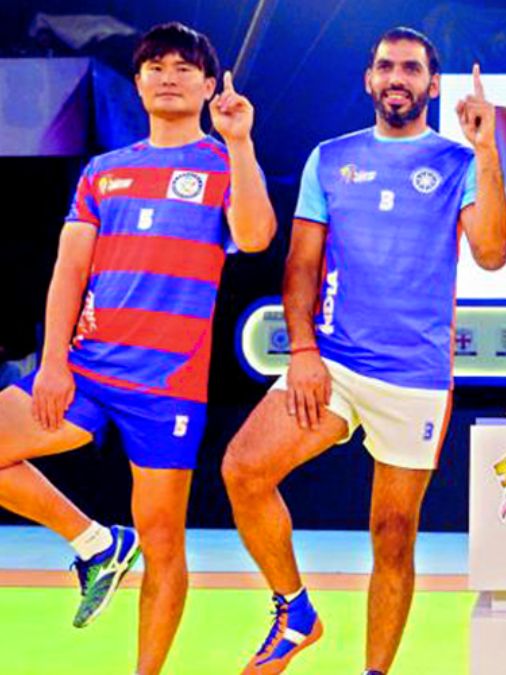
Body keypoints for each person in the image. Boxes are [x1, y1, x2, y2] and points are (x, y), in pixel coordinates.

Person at [221, 26, 506, 675]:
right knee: (243, 469)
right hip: (335, 364)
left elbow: (492, 253)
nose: (396, 77)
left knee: (393, 534)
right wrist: (302, 350)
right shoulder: (330, 158)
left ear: (432, 85)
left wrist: (487, 148)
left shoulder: (460, 162)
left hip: (415, 376)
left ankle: (374, 671)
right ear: (368, 79)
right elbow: (301, 263)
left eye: (410, 68)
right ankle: (295, 610)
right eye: (385, 66)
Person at [0, 22, 275, 675]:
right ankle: (95, 542)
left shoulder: (223, 163)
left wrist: (240, 142)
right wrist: (54, 362)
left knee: (163, 540)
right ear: (139, 83)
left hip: (167, 387)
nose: (169, 77)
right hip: (88, 369)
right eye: (156, 67)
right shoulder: (104, 171)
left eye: (185, 68)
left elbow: (256, 236)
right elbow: (69, 272)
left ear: (208, 86)